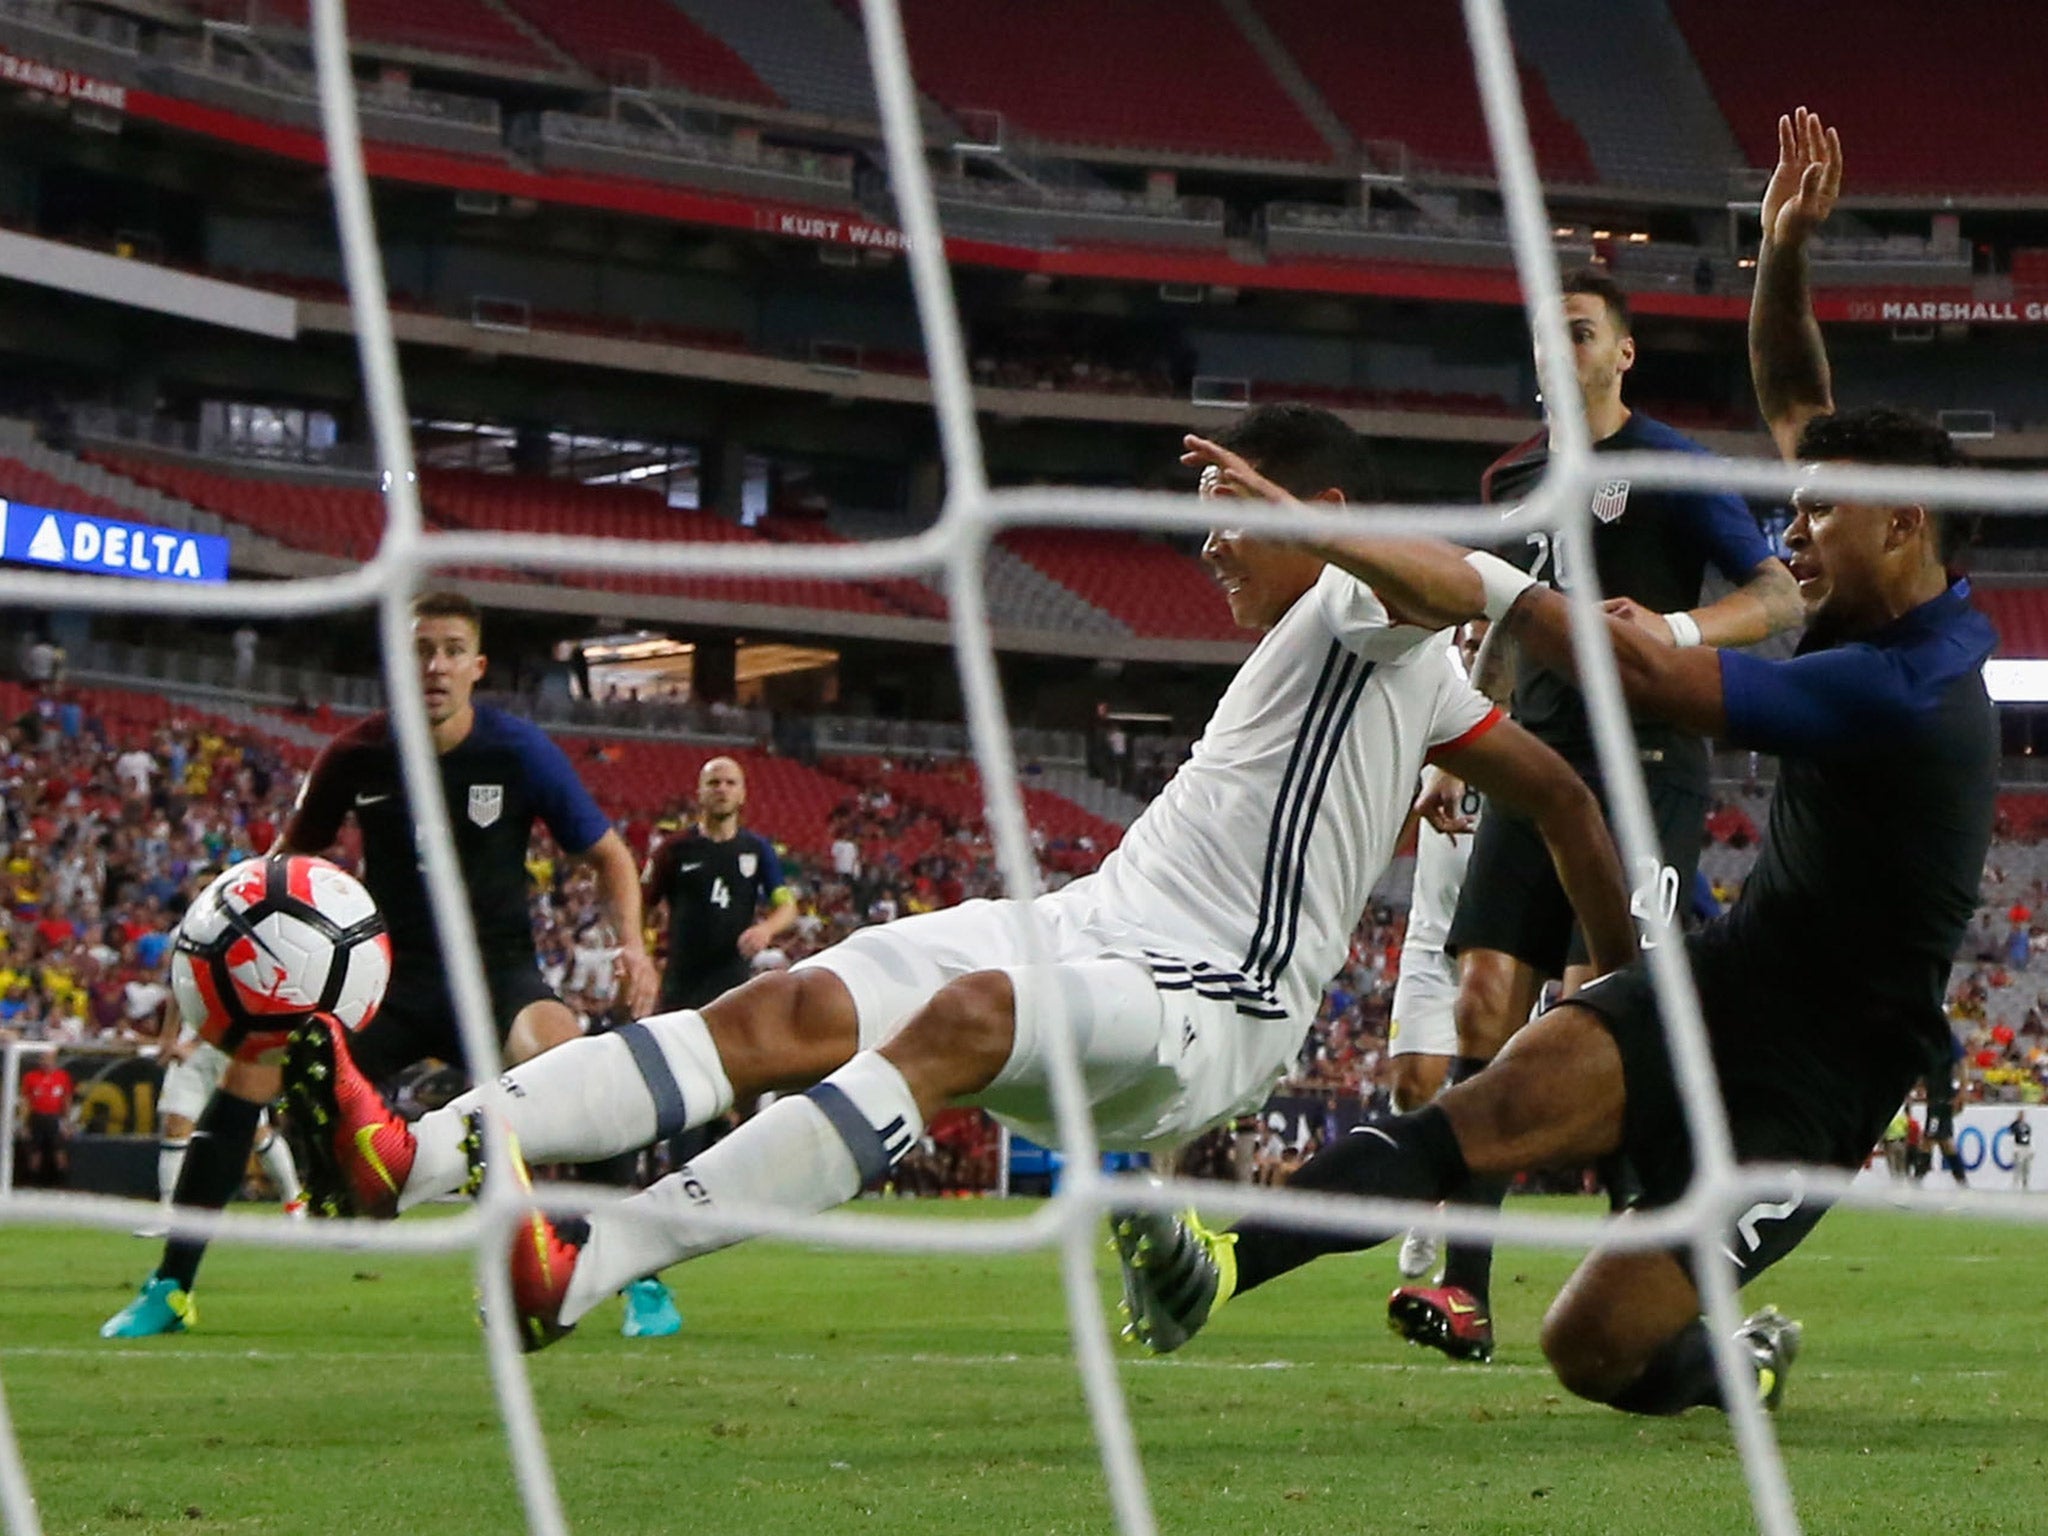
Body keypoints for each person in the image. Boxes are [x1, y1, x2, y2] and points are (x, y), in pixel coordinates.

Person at [282, 402, 1637, 1352]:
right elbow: (1565, 795)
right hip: (1097, 925)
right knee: (793, 1011)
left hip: (1216, 1000)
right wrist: (1610, 966)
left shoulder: (1364, 602)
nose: (1210, 545)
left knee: (969, 1016)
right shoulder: (1394, 672)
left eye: (1233, 516)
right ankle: (411, 1159)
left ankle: (586, 1271)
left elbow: (1459, 599)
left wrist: (1610, 988)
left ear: (1322, 516)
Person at [1114, 110, 1996, 1421]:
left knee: (1593, 1348)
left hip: (1828, 1073)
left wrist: (1443, 568)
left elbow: (1647, 674)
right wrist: (1781, 259)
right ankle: (1228, 1258)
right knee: (1496, 1095)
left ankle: (1726, 1360)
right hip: (1733, 979)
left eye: (1818, 513)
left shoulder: (1903, 687)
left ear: (1905, 526)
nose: (1792, 528)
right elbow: (1799, 399)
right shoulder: (1879, 588)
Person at [1391, 261, 1805, 1361]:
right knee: (1480, 1008)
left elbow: (1778, 594)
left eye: (1577, 331)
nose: (1556, 350)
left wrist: (1667, 630)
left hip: (1644, 766)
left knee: (1601, 1024)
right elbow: (1495, 621)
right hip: (1530, 767)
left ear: (1622, 353)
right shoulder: (1513, 477)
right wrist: (1452, 739)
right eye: (1541, 335)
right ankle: (1463, 1296)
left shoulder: (1673, 464)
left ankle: (1677, 1300)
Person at [101, 591, 662, 1340]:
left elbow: (608, 853)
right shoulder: (355, 754)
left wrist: (632, 942)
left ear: (477, 666)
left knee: (583, 1069)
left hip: (495, 976)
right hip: (381, 982)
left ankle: (638, 1280)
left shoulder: (519, 751)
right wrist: (211, 984)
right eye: (420, 649)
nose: (435, 665)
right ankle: (171, 1287)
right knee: (249, 1076)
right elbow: (279, 871)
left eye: (452, 650)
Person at [644, 758, 796, 1016]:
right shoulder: (672, 849)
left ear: (742, 794)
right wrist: (643, 956)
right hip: (680, 986)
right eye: (713, 783)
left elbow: (787, 906)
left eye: (730, 783)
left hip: (733, 985)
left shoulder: (758, 850)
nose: (722, 789)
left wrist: (766, 929)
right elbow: (641, 906)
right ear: (700, 793)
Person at [144, 998, 304, 1237]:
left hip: (233, 1045)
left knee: (256, 1132)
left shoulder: (241, 962)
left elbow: (239, 1002)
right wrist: (168, 1036)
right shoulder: (186, 959)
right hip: (193, 1047)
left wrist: (195, 1044)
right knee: (175, 1123)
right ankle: (170, 1213)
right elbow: (177, 989)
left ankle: (294, 1200)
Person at [19, 1052, 74, 1188]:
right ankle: (32, 1183)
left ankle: (62, 1184)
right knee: (34, 1151)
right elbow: (25, 1101)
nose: (45, 1062)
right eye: (42, 1059)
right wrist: (24, 1124)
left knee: (59, 1151)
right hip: (36, 1116)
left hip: (54, 1118)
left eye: (48, 1060)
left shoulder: (62, 1076)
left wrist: (66, 1122)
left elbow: (66, 1100)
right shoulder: (30, 1077)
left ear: (54, 1061)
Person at [2011, 1110, 2032, 1192]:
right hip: (2019, 1146)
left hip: (2026, 1146)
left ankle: (2025, 1182)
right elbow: (2010, 1130)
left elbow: (2028, 1136)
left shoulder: (2027, 1125)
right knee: (2018, 1165)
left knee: (2026, 1166)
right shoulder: (2015, 1125)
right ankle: (2016, 1183)